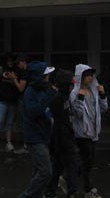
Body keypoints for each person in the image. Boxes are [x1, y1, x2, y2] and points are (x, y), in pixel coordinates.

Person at [18, 61, 57, 198]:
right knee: (45, 172)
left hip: (43, 135)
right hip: (35, 138)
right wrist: (49, 96)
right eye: (45, 75)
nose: (48, 78)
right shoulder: (30, 92)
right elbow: (34, 111)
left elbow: (45, 110)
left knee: (38, 171)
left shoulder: (42, 90)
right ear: (38, 77)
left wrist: (50, 119)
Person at [71, 64, 108, 198]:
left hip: (93, 131)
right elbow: (78, 114)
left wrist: (102, 94)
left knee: (89, 160)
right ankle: (88, 189)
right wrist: (80, 98)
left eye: (91, 75)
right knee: (87, 160)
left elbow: (104, 108)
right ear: (80, 77)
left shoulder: (93, 91)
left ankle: (69, 178)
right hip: (81, 132)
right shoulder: (75, 93)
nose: (90, 78)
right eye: (86, 75)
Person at [44, 69, 78, 198]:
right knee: (72, 163)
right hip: (62, 136)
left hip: (63, 135)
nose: (72, 87)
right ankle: (72, 191)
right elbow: (56, 118)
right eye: (71, 84)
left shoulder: (64, 97)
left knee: (58, 164)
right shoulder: (57, 98)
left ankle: (50, 190)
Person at [0, 53, 26, 152]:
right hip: (0, 100)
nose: (10, 62)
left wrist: (13, 80)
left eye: (11, 60)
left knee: (9, 123)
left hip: (12, 100)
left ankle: (9, 143)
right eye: (8, 60)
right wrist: (1, 94)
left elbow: (20, 84)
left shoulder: (17, 70)